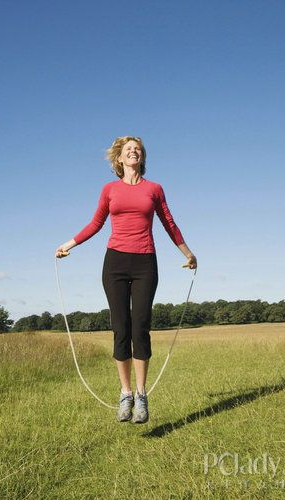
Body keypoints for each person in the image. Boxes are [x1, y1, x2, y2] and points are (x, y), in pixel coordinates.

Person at [55, 136, 197, 423]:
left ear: (141, 157)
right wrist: (68, 244)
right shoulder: (109, 190)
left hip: (145, 262)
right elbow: (96, 223)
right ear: (119, 158)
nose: (134, 151)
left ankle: (142, 395)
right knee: (120, 328)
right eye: (128, 149)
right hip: (115, 263)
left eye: (138, 149)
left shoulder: (154, 189)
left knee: (140, 326)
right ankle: (125, 393)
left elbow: (169, 223)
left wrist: (189, 253)